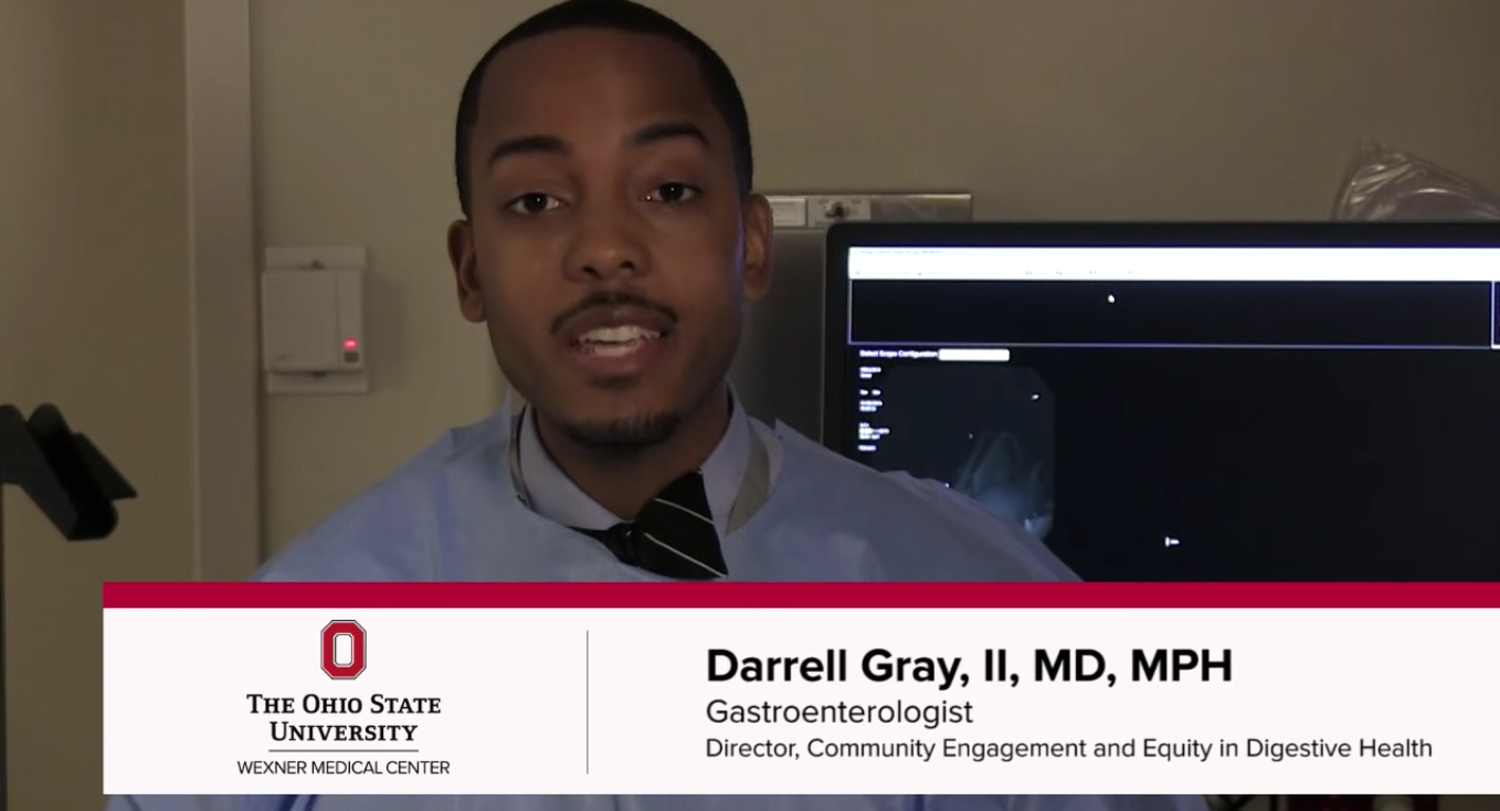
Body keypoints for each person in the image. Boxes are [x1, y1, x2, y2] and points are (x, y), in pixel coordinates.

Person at [107, 2, 1208, 810]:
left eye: (670, 190)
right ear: (470, 270)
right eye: (535, 201)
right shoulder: (294, 636)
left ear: (754, 241)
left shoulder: (982, 604)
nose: (604, 250)